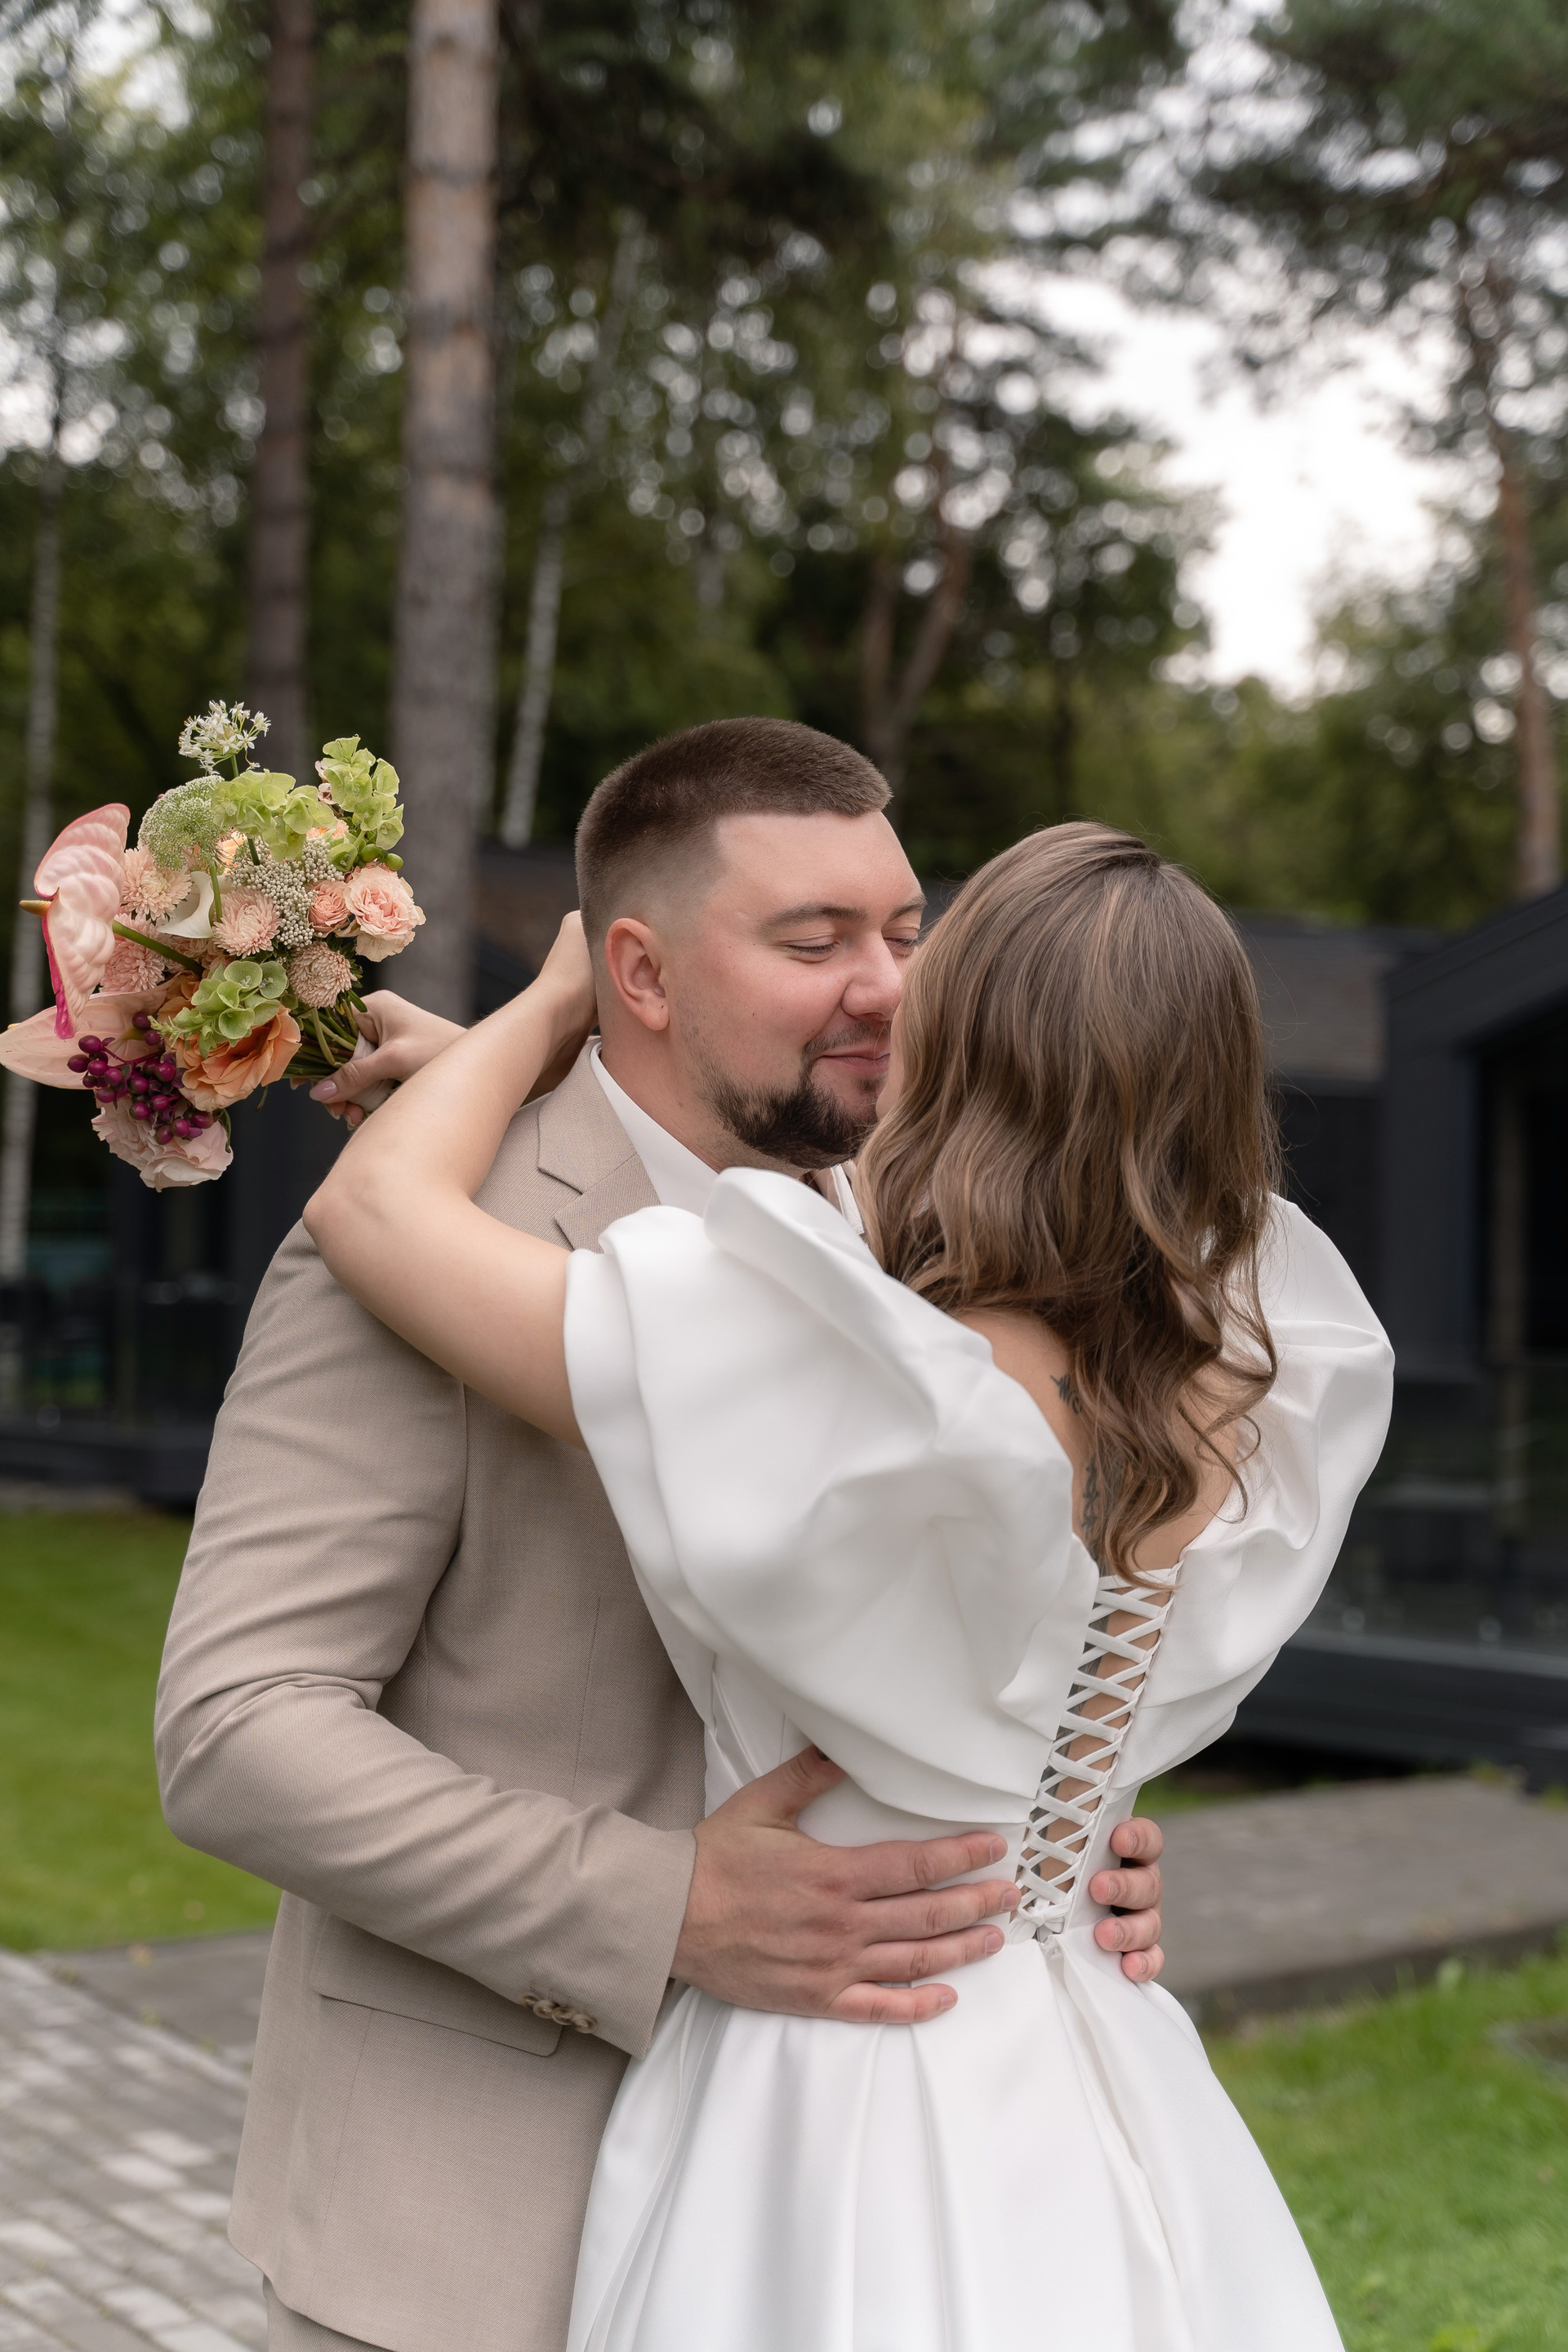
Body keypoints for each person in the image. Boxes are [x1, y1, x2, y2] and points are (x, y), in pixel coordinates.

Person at [304, 815, 1394, 2350]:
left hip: (844, 2073)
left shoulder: (852, 1373)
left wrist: (554, 1004)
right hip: (1090, 2041)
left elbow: (374, 1212)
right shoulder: (1254, 1372)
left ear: (966, 1052)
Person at [154, 720, 1167, 2352]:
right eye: (814, 941)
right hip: (478, 2236)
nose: (889, 988)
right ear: (637, 970)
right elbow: (235, 1731)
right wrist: (665, 1906)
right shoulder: (422, 1248)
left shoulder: (926, 1246)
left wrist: (1057, 1835)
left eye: (906, 932)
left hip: (843, 2224)